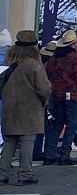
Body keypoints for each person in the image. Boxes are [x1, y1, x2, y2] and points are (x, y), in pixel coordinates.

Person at [0, 31, 52, 186]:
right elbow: (44, 89)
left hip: (10, 109)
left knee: (9, 143)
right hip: (29, 110)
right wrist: (43, 101)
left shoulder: (8, 63)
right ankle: (24, 174)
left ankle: (2, 173)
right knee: (27, 142)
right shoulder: (34, 65)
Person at [44, 30, 77, 166]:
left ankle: (49, 154)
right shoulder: (75, 58)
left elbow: (49, 77)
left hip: (57, 95)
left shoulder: (53, 59)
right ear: (73, 45)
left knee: (58, 125)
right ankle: (65, 154)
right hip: (73, 95)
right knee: (71, 126)